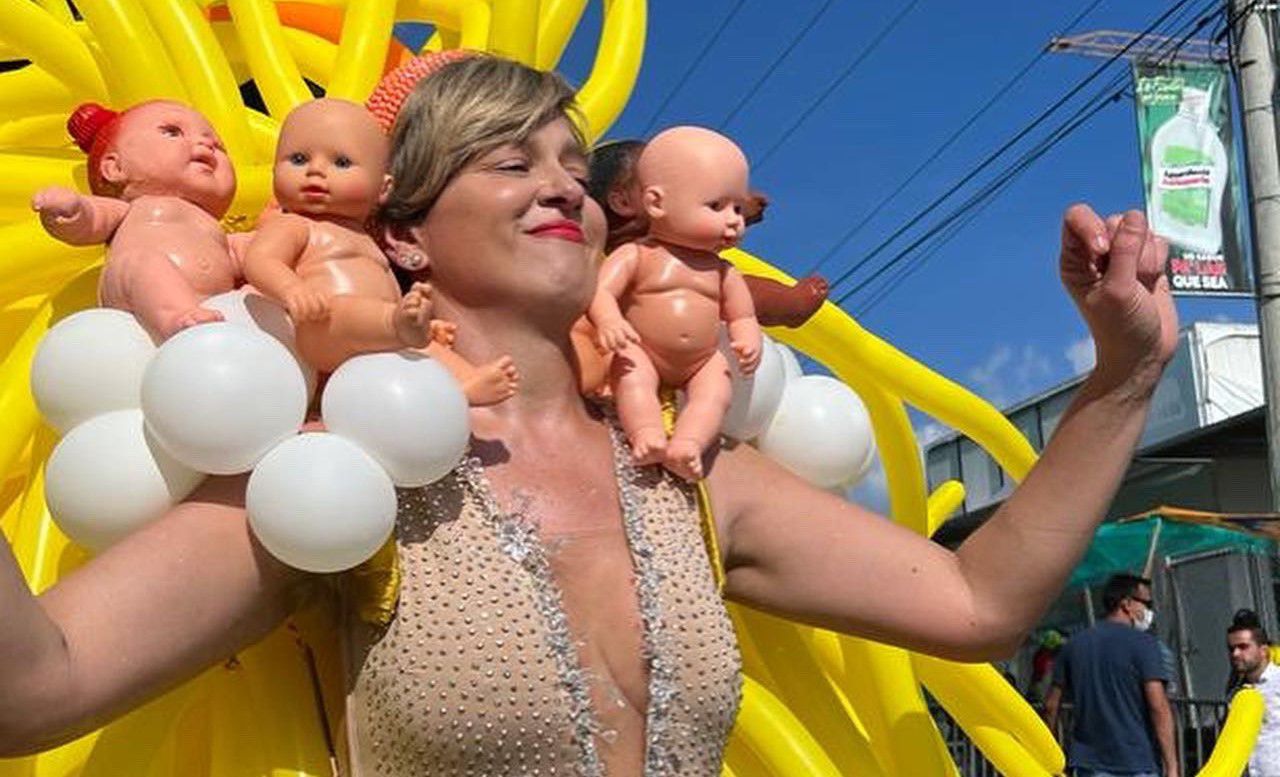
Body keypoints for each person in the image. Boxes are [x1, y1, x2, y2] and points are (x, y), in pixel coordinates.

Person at [0, 54, 1178, 777]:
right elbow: (34, 692)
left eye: (569, 163)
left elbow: (978, 603)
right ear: (404, 233)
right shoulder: (334, 473)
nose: (562, 183)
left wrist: (1121, 372)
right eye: (506, 163)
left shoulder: (687, 471)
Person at [245, 97, 520, 403]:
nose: (316, 171)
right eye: (298, 159)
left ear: (384, 188)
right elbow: (259, 259)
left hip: (380, 335)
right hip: (321, 327)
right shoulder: (295, 225)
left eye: (341, 163)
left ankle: (462, 384)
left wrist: (424, 325)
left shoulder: (366, 240)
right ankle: (399, 326)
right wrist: (291, 289)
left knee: (423, 347)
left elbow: (386, 291)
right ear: (273, 172)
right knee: (358, 314)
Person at [588, 125, 762, 480]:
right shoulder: (637, 254)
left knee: (716, 390)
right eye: (716, 206)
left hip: (701, 359)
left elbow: (742, 313)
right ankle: (646, 434)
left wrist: (748, 337)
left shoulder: (723, 271)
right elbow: (601, 291)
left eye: (739, 209)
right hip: (643, 347)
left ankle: (689, 443)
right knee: (633, 375)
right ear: (656, 202)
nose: (734, 221)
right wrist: (609, 321)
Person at [31, 100, 242, 340]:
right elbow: (92, 219)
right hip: (133, 292)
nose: (206, 144)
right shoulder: (133, 210)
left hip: (218, 309)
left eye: (218, 145)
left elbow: (244, 254)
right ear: (115, 168)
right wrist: (70, 209)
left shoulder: (216, 229)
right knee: (142, 262)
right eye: (172, 132)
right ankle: (175, 318)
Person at [587, 138, 830, 329]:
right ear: (623, 202)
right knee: (731, 287)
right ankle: (790, 304)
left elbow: (697, 221)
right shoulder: (637, 261)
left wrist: (737, 210)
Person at [1045, 574, 1179, 777]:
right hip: (1136, 760)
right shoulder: (1145, 645)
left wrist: (1049, 755)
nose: (1149, 611)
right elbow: (1158, 706)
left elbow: (1051, 705)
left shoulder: (1074, 645)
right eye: (1146, 603)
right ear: (1126, 604)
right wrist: (1172, 766)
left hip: (1088, 761)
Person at [1226, 609, 1280, 776]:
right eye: (1232, 648)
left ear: (1263, 650)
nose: (1235, 654)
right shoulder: (1237, 690)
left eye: (1243, 647)